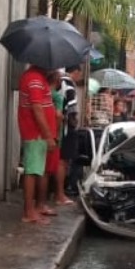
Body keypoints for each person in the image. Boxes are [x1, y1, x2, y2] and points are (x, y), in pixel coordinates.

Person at [17, 63, 57, 224]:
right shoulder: (34, 79)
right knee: (32, 171)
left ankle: (34, 208)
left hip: (38, 133)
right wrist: (47, 135)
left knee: (36, 170)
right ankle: (28, 212)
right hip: (36, 133)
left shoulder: (38, 78)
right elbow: (37, 109)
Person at [47, 70, 73, 205]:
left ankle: (45, 198)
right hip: (54, 134)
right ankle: (57, 195)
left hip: (42, 132)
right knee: (55, 164)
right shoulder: (57, 97)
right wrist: (55, 134)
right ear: (57, 81)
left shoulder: (43, 94)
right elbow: (58, 115)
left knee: (43, 167)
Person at [58, 64, 82, 199]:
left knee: (59, 160)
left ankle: (58, 192)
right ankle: (60, 193)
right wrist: (74, 123)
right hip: (67, 127)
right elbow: (71, 108)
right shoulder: (69, 85)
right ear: (76, 71)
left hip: (59, 125)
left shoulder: (59, 82)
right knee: (63, 161)